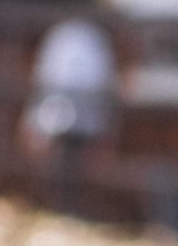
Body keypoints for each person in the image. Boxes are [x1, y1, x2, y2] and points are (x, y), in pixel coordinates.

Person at [21, 17, 117, 215]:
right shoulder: (87, 42)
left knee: (69, 164)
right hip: (69, 111)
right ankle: (60, 206)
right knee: (63, 164)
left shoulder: (70, 40)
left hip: (71, 112)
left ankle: (64, 206)